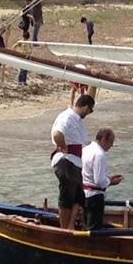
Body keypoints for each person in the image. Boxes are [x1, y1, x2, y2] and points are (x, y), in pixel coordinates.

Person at [51, 94, 95, 230]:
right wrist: (63, 146)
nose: (89, 113)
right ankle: (65, 229)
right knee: (67, 197)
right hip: (67, 161)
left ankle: (70, 226)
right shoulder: (67, 117)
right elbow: (57, 134)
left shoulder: (78, 121)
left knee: (79, 197)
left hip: (76, 163)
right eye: (90, 110)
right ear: (86, 107)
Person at [82, 127, 123, 230]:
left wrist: (108, 178)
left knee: (87, 224)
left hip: (85, 193)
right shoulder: (100, 154)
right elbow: (99, 181)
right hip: (95, 196)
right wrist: (111, 182)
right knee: (94, 229)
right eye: (111, 142)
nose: (112, 145)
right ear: (104, 139)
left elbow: (90, 174)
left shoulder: (86, 149)